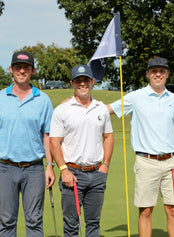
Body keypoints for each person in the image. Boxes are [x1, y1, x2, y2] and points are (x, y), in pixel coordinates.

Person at [107, 57, 174, 237]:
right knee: (145, 211)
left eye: (162, 71)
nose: (158, 74)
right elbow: (108, 109)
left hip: (171, 163)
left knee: (172, 210)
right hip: (146, 162)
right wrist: (81, 101)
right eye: (154, 71)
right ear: (147, 74)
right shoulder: (136, 97)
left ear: (167, 74)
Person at [49, 64, 114, 237]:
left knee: (93, 224)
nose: (82, 83)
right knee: (71, 225)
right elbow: (54, 142)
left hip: (97, 174)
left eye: (86, 80)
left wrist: (105, 164)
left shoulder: (101, 108)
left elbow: (108, 137)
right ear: (72, 83)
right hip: (72, 174)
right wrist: (63, 170)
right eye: (78, 80)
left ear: (92, 81)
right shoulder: (62, 110)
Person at [0, 51, 56, 236]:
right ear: (11, 69)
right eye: (18, 67)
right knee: (6, 221)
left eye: (26, 67)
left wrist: (49, 166)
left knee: (34, 221)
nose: (21, 71)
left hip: (34, 169)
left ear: (32, 70)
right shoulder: (1, 98)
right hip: (5, 169)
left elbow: (46, 135)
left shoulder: (43, 100)